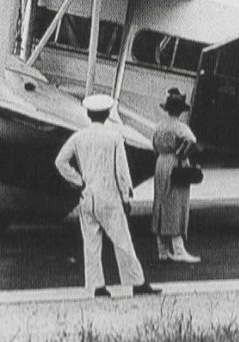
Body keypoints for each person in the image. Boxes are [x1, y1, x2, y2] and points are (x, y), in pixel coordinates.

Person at [55, 93, 160, 297]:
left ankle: (97, 286)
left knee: (91, 243)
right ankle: (137, 282)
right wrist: (126, 197)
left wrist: (77, 180)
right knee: (122, 241)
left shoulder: (78, 137)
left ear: (87, 114)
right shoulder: (114, 137)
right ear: (107, 113)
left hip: (87, 195)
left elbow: (60, 161)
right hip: (109, 196)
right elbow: (122, 171)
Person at [151, 88, 201, 263]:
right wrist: (181, 153)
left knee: (161, 203)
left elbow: (154, 145)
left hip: (161, 163)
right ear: (180, 111)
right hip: (175, 163)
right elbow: (193, 141)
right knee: (177, 203)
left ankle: (162, 250)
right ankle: (178, 249)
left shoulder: (159, 126)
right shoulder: (181, 127)